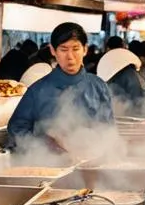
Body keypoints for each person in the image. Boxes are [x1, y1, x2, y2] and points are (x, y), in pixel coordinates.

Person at [8, 22, 115, 151]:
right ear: (53, 50)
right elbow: (17, 130)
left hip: (90, 164)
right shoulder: (37, 91)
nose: (70, 57)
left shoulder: (99, 87)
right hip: (50, 165)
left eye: (75, 49)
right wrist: (44, 144)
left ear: (85, 49)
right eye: (63, 50)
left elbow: (108, 130)